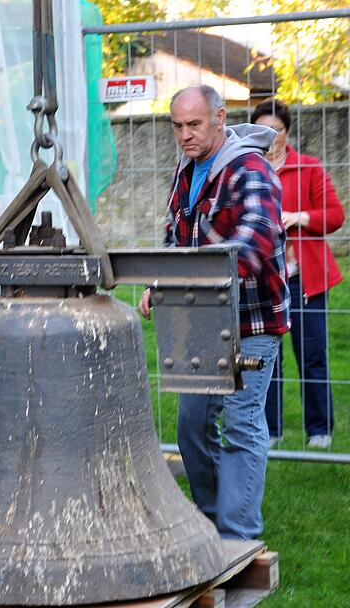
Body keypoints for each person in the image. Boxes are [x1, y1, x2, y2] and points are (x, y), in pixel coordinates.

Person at [139, 85, 289, 540]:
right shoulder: (186, 171)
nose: (184, 135)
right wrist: (158, 281)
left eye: (194, 125)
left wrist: (189, 279)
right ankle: (209, 520)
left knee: (242, 424)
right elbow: (174, 238)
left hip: (253, 319)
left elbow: (255, 243)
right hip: (202, 319)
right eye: (177, 126)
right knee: (192, 427)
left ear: (220, 118)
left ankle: (238, 535)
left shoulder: (251, 168)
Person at [252, 99, 344, 449]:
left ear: (287, 132)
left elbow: (335, 216)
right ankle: (270, 430)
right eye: (262, 129)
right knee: (265, 356)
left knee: (313, 355)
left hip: (305, 279)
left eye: (275, 129)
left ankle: (319, 429)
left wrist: (298, 217)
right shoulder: (248, 169)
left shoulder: (309, 167)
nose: (269, 135)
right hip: (262, 280)